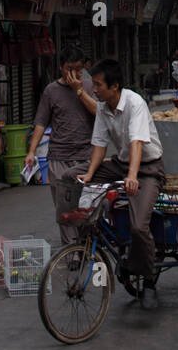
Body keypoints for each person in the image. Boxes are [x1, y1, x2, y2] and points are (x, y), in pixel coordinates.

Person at [71, 59, 166, 310]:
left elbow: (137, 143)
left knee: (138, 226)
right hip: (120, 164)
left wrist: (133, 176)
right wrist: (90, 173)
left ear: (114, 87)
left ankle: (149, 281)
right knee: (70, 176)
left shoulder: (135, 103)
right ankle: (81, 232)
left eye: (98, 85)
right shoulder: (103, 107)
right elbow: (100, 144)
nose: (94, 90)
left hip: (147, 170)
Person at [24, 45, 97, 245]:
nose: (73, 73)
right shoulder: (51, 91)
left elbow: (100, 114)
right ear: (60, 68)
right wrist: (31, 151)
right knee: (64, 209)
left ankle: (87, 245)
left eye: (78, 68)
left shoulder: (91, 87)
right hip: (58, 157)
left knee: (86, 205)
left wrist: (79, 91)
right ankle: (71, 250)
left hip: (86, 157)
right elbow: (41, 122)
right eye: (69, 68)